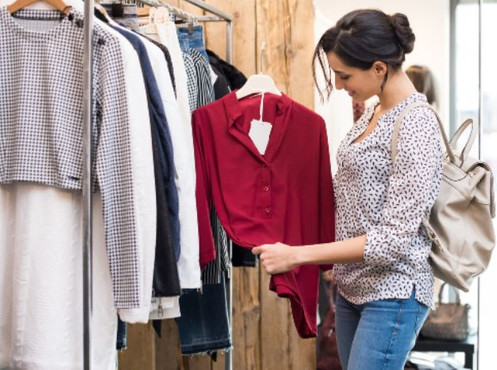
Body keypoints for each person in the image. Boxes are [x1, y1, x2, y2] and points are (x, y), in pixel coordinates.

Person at [252, 9, 444, 370]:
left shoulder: (416, 124)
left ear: (378, 68)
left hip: (393, 292)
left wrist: (298, 255)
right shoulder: (374, 112)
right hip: (351, 288)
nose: (339, 85)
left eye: (344, 75)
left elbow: (391, 241)